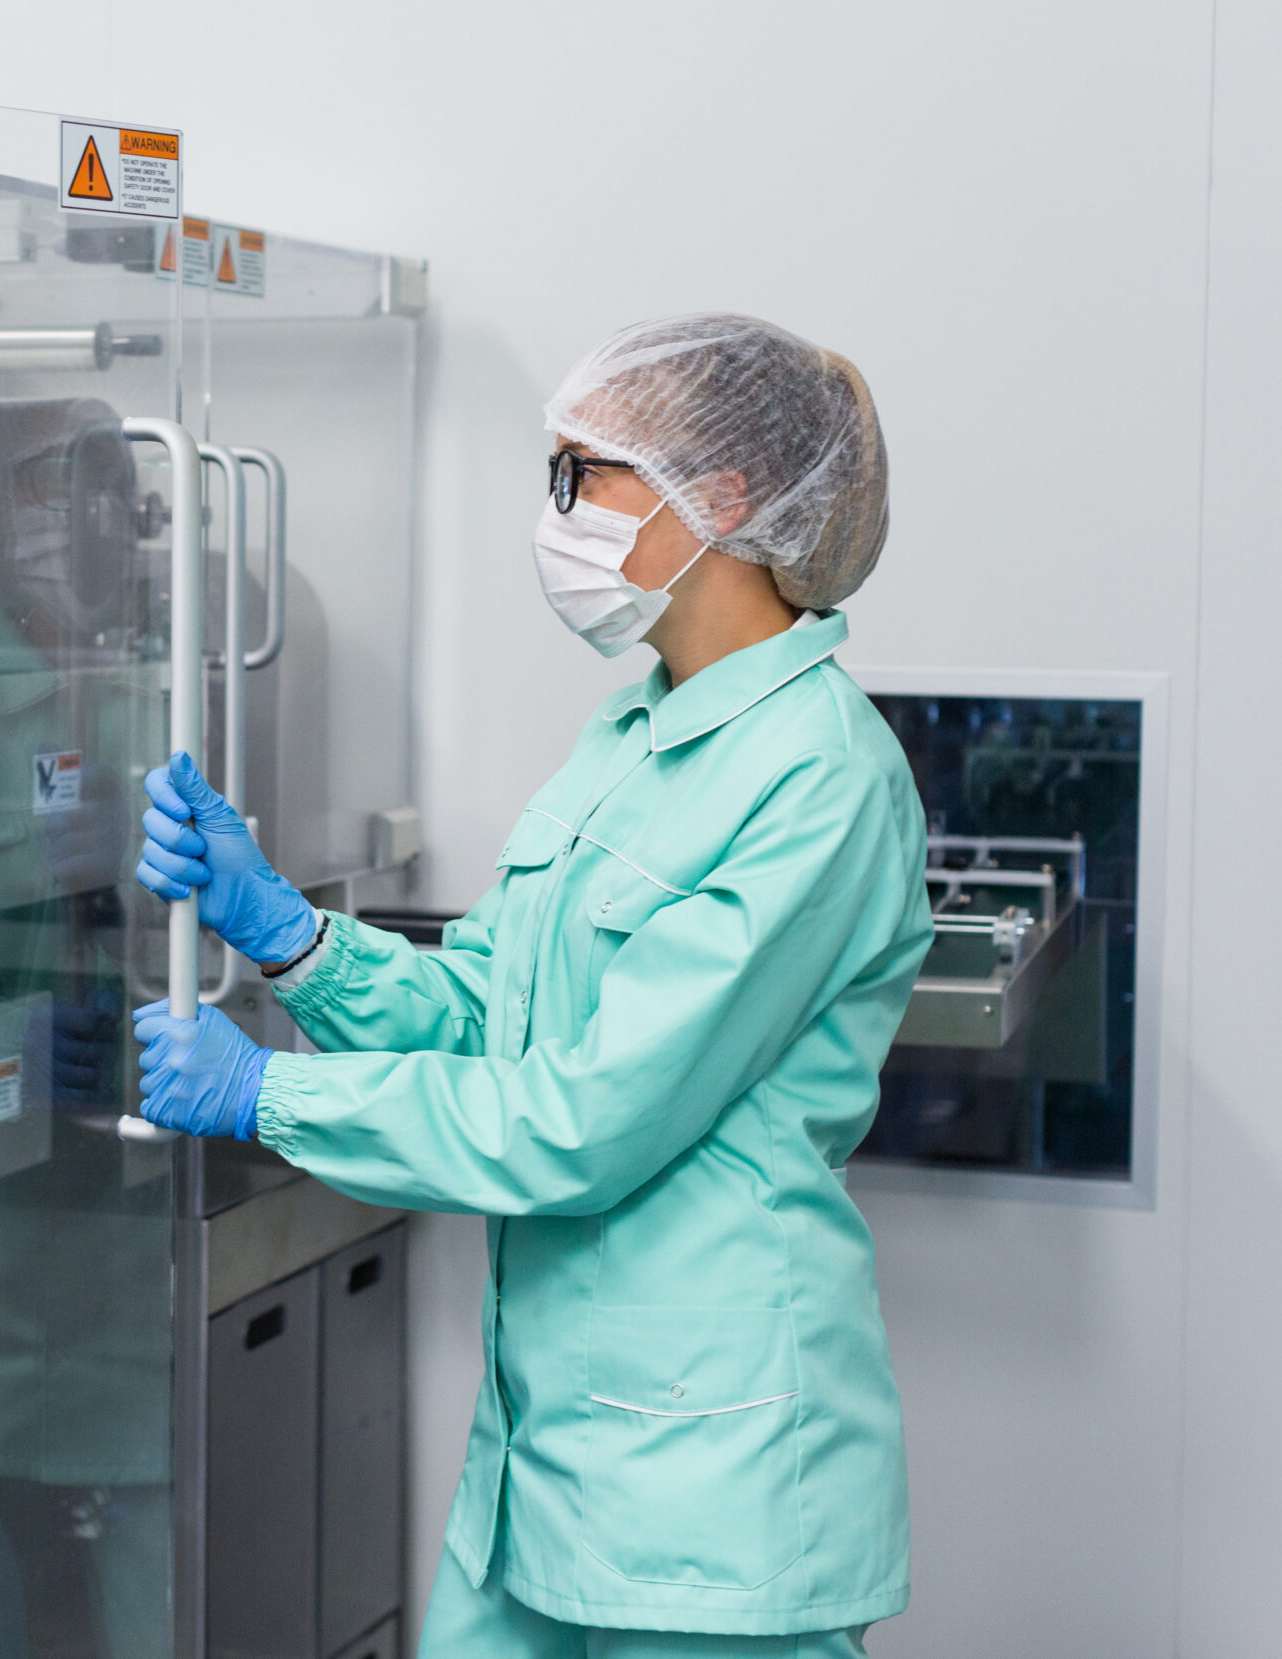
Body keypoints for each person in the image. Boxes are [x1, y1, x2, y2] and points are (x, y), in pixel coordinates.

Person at [130, 313, 933, 1657]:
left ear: (720, 498)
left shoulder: (821, 777)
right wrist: (285, 935)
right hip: (549, 1463)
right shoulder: (634, 731)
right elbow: (489, 1014)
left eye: (582, 476)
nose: (552, 514)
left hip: (712, 1497)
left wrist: (273, 1095)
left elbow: (585, 1120)